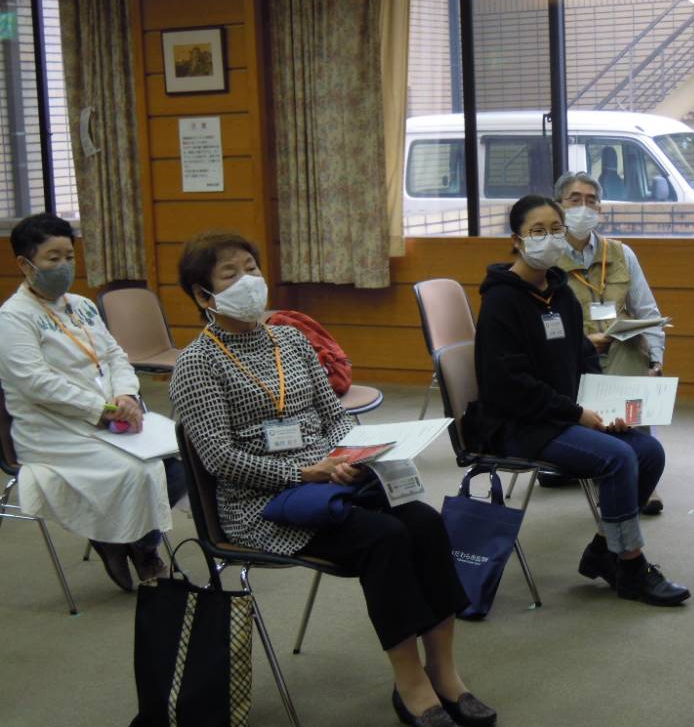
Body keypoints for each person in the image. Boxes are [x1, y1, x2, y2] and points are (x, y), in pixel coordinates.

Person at [168, 233, 495, 727]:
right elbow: (220, 460)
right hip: (264, 506)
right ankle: (411, 685)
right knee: (384, 538)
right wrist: (303, 471)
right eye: (230, 274)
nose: (249, 281)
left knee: (425, 523)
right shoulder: (196, 364)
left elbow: (334, 416)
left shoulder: (290, 339)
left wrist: (354, 454)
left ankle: (445, 673)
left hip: (333, 483)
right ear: (202, 296)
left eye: (252, 268)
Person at [464, 195, 690, 607]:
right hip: (519, 426)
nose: (549, 238)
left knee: (649, 452)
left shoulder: (559, 292)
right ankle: (631, 567)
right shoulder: (501, 301)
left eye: (556, 229)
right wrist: (577, 414)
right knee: (618, 459)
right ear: (516, 240)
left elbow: (583, 360)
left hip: (562, 417)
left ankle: (604, 550)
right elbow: (509, 386)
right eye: (537, 231)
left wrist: (608, 409)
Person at [0, 213, 184, 591]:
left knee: (180, 461)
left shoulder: (81, 305)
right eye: (53, 258)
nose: (64, 266)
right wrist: (100, 409)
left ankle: (131, 541)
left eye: (69, 257)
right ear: (24, 263)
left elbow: (115, 355)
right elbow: (37, 383)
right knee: (141, 470)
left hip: (111, 415)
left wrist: (127, 395)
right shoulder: (12, 318)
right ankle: (134, 547)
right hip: (54, 428)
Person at [555, 171, 668, 515]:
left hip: (618, 352)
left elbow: (648, 310)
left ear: (600, 210)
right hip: (571, 357)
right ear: (559, 207)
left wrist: (656, 361)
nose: (584, 207)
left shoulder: (620, 253)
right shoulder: (547, 258)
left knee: (636, 355)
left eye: (591, 201)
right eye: (575, 200)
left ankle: (637, 475)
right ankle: (612, 467)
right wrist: (586, 344)